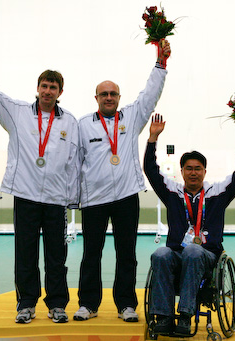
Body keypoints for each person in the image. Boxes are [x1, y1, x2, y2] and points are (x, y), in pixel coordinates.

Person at [0, 47, 79, 324]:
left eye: (53, 87)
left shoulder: (70, 121)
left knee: (57, 257)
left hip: (57, 200)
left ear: (60, 92)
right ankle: (26, 304)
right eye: (44, 86)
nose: (47, 91)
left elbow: (75, 162)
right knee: (25, 254)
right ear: (37, 88)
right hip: (26, 195)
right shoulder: (17, 113)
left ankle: (57, 305)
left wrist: (73, 198)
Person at [74, 40, 171, 323]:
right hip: (93, 200)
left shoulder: (132, 117)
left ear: (118, 97)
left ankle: (126, 304)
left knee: (126, 253)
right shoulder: (82, 125)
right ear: (96, 98)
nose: (108, 97)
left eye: (113, 93)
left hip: (127, 196)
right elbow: (74, 164)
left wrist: (161, 62)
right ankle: (88, 304)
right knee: (91, 254)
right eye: (103, 94)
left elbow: (150, 94)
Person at [143, 114, 235, 336]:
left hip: (207, 257)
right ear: (182, 171)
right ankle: (164, 317)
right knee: (160, 254)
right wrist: (152, 139)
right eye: (188, 168)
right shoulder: (172, 193)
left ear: (204, 171)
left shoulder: (218, 193)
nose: (193, 172)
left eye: (197, 168)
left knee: (195, 251)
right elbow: (151, 170)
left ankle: (185, 316)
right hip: (178, 254)